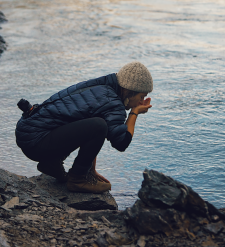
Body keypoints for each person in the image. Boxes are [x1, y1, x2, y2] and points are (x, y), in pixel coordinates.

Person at [15, 61, 153, 193]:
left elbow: (86, 121)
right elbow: (121, 143)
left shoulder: (100, 86)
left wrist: (90, 170)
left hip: (29, 134)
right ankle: (77, 180)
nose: (141, 101)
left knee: (97, 123)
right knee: (99, 125)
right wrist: (134, 113)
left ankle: (52, 163)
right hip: (35, 141)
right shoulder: (114, 103)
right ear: (129, 91)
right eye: (141, 96)